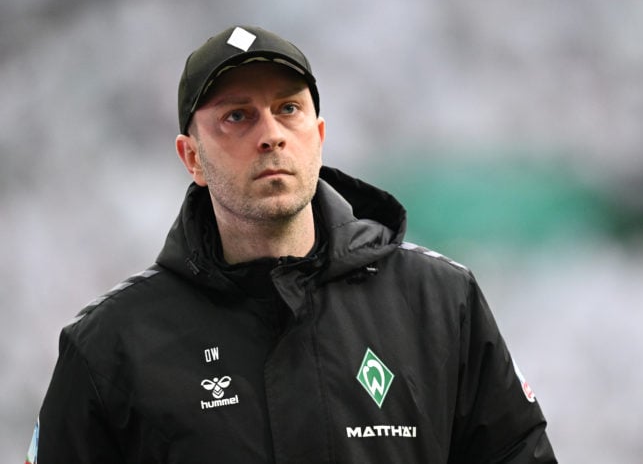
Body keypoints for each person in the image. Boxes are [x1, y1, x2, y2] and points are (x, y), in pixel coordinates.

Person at [26, 25, 557, 463]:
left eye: (288, 109)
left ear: (319, 137)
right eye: (237, 116)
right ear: (192, 158)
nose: (271, 134)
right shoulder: (111, 345)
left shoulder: (442, 302)